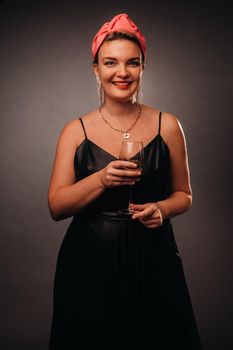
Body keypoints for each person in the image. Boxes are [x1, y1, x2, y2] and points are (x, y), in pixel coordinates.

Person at [47, 13, 203, 350]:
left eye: (132, 63)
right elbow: (57, 207)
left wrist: (162, 209)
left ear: (143, 67)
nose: (122, 72)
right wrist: (102, 179)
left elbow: (184, 195)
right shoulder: (75, 131)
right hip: (89, 262)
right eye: (110, 62)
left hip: (153, 259)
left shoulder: (168, 125)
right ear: (96, 69)